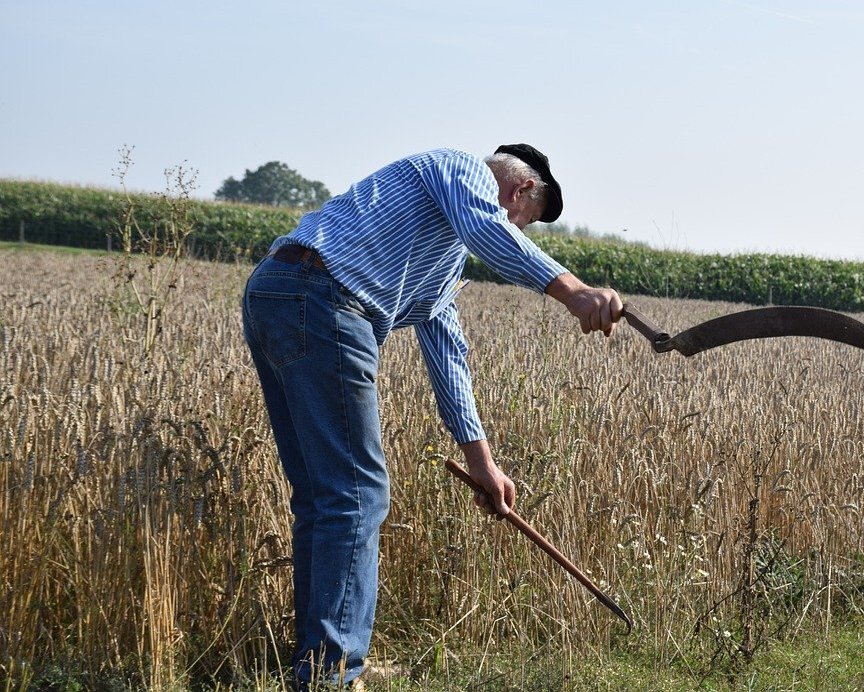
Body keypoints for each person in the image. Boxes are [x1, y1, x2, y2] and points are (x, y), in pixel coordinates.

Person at [240, 144, 622, 687]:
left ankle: (316, 658)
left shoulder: (439, 263)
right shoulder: (458, 168)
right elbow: (492, 231)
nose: (515, 229)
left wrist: (482, 462)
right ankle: (331, 675)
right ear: (520, 192)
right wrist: (576, 292)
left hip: (278, 292)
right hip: (323, 298)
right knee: (356, 495)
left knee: (324, 496)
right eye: (524, 221)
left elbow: (448, 354)